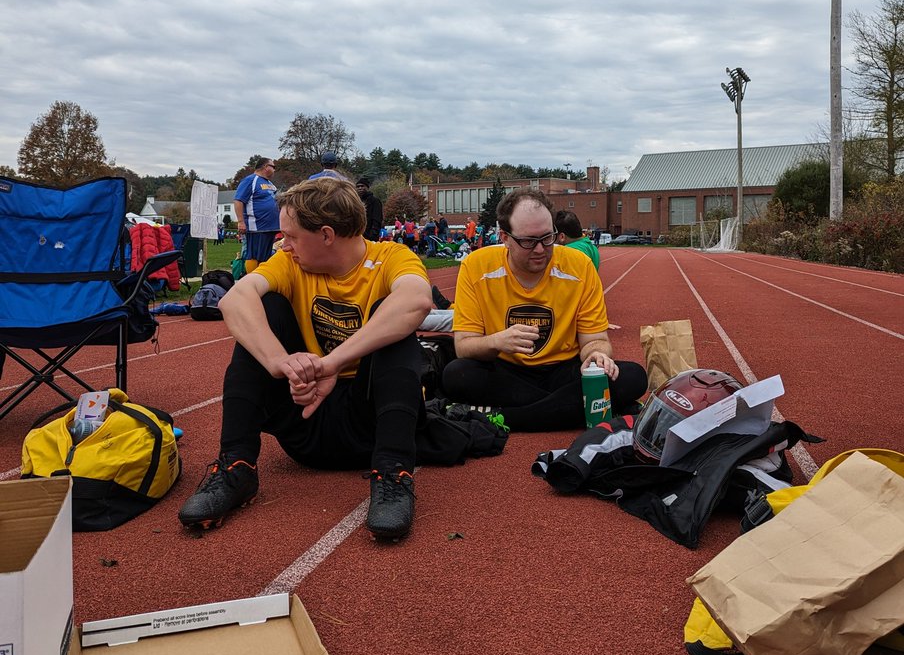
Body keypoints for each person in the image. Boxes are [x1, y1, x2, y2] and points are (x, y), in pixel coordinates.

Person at [178, 178, 437, 540]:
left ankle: (394, 473)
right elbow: (233, 301)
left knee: (395, 323)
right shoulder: (288, 262)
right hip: (306, 418)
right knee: (264, 308)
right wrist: (281, 363)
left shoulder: (391, 258)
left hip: (371, 426)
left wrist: (332, 364)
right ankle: (236, 466)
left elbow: (416, 301)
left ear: (327, 234)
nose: (284, 244)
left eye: (292, 236)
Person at [441, 188, 647, 432]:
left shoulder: (579, 266)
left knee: (633, 377)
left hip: (565, 369)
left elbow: (596, 340)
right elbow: (464, 346)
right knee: (457, 374)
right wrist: (498, 341)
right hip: (507, 371)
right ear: (504, 237)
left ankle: (505, 419)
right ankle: (581, 409)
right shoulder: (476, 266)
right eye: (528, 241)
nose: (540, 250)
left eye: (547, 238)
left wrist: (596, 355)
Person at [233, 157, 280, 271]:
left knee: (265, 257)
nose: (274, 170)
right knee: (254, 255)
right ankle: (251, 281)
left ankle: (262, 281)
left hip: (271, 227)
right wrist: (241, 222)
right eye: (273, 167)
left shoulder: (269, 183)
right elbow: (238, 200)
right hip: (257, 227)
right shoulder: (251, 180)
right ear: (265, 167)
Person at [355, 177, 384, 241]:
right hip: (357, 236)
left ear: (367, 187)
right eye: (358, 186)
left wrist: (372, 235)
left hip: (370, 237)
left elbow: (377, 220)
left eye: (362, 186)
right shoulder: (356, 202)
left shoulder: (375, 201)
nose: (360, 188)